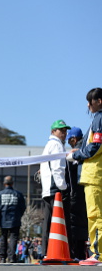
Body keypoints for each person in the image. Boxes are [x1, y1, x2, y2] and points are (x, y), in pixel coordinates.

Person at [67, 88, 102, 265]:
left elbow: (96, 146)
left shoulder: (99, 119)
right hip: (96, 172)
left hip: (94, 173)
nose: (88, 105)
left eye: (90, 101)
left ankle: (98, 254)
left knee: (95, 215)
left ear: (99, 101)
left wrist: (77, 155)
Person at [39, 119, 71, 257]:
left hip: (47, 188)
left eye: (65, 130)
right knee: (57, 221)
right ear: (53, 131)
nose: (64, 133)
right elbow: (57, 168)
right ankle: (55, 252)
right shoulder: (56, 145)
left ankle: (46, 252)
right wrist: (63, 187)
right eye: (61, 130)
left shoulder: (49, 145)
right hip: (55, 188)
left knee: (48, 221)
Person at [65, 127, 88, 260]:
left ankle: (76, 253)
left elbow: (72, 167)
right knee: (83, 222)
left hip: (76, 191)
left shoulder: (77, 152)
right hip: (84, 190)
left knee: (74, 222)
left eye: (69, 140)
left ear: (74, 139)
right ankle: (82, 252)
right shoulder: (84, 147)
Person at [0, 176, 26, 263]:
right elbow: (23, 207)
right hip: (15, 219)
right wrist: (19, 215)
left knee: (3, 237)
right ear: (12, 183)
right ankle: (12, 257)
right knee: (13, 238)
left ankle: (3, 257)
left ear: (4, 184)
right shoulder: (18, 194)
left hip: (3, 219)